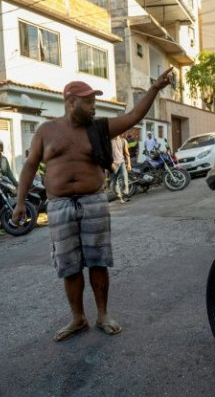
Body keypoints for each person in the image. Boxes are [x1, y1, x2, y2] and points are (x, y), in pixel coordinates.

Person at [12, 70, 174, 342]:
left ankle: (102, 314)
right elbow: (29, 166)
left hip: (93, 202)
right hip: (60, 206)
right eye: (88, 102)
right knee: (70, 266)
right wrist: (20, 203)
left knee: (98, 262)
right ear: (71, 102)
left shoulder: (98, 128)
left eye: (93, 101)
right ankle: (78, 319)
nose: (93, 106)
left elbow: (134, 116)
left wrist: (155, 87)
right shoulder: (46, 131)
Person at [110, 133, 131, 204]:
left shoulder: (123, 141)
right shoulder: (109, 141)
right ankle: (119, 196)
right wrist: (110, 164)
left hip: (122, 162)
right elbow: (107, 154)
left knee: (124, 179)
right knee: (113, 184)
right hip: (113, 164)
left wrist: (129, 164)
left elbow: (127, 153)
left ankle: (125, 196)